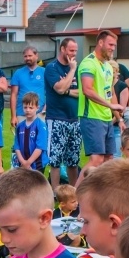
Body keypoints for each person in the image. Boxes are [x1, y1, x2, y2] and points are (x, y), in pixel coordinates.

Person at [77, 30, 124, 183]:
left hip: (106, 118)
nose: (113, 48)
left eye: (115, 46)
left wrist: (119, 118)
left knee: (109, 159)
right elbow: (87, 90)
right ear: (100, 43)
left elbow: (110, 93)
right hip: (91, 117)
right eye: (110, 44)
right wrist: (110, 104)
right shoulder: (88, 63)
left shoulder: (108, 67)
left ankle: (100, 194)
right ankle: (74, 197)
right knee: (96, 159)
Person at [44, 38, 81, 189]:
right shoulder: (52, 68)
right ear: (63, 49)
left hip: (74, 119)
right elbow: (58, 88)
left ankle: (74, 194)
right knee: (56, 161)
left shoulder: (79, 69)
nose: (74, 54)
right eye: (71, 50)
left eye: (76, 51)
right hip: (56, 118)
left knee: (73, 161)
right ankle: (55, 194)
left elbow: (82, 92)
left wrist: (66, 91)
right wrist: (71, 70)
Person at [10, 46, 46, 129]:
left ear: (36, 56)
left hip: (39, 114)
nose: (27, 58)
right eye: (25, 56)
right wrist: (13, 116)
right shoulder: (18, 73)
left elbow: (50, 93)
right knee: (22, 140)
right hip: (22, 114)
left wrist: (44, 111)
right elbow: (13, 95)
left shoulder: (44, 72)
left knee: (39, 140)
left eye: (30, 56)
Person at [12, 92, 48, 171]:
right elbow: (16, 146)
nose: (28, 110)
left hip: (37, 164)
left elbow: (40, 147)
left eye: (31, 108)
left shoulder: (41, 126)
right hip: (22, 163)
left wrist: (28, 163)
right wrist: (23, 162)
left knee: (36, 183)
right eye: (25, 107)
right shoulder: (19, 126)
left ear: (37, 108)